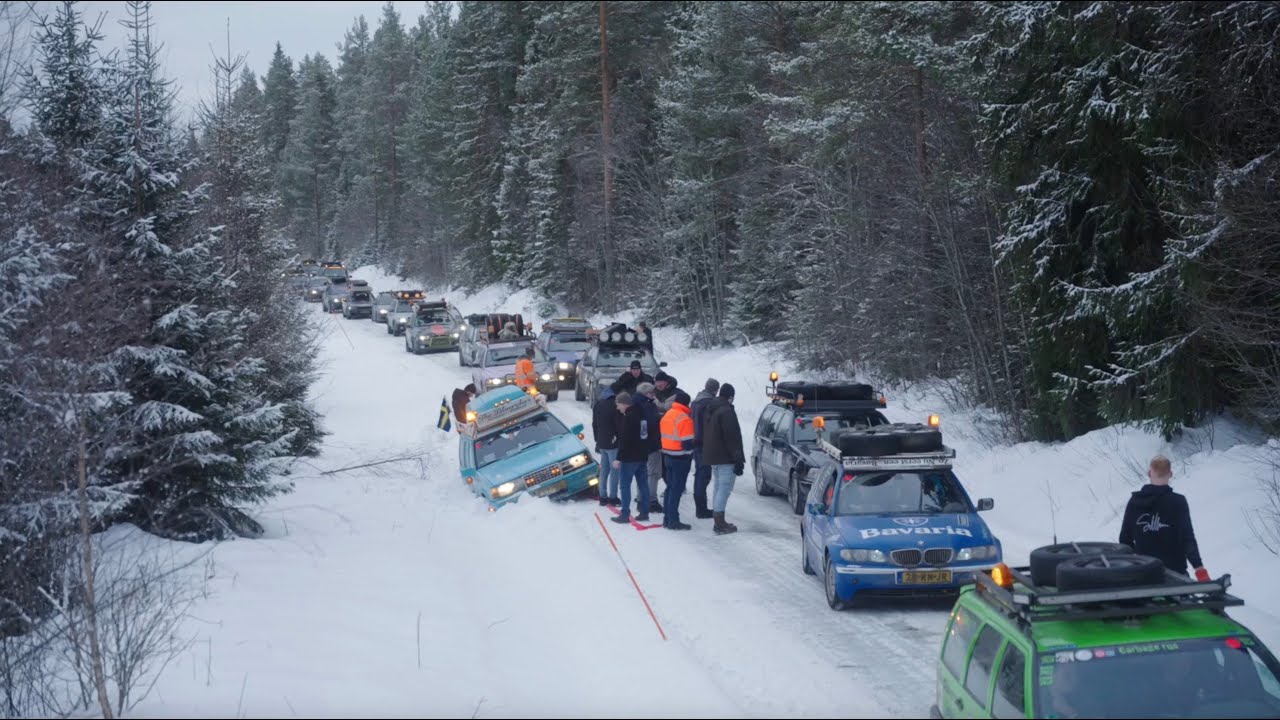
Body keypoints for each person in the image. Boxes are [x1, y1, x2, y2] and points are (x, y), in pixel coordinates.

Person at [1118, 455, 1209, 580]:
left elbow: (1124, 539)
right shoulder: (1178, 502)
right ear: (1170, 474)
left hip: (1143, 574)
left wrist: (1137, 562)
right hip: (1175, 576)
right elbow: (1188, 539)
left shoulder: (1135, 501)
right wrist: (1200, 571)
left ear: (1149, 473)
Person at [702, 383, 744, 535]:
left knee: (718, 487)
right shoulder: (727, 411)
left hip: (713, 455)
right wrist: (738, 459)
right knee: (724, 489)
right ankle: (719, 522)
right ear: (730, 397)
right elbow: (732, 438)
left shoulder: (711, 408)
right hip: (726, 457)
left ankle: (718, 518)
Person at [610, 392, 651, 524]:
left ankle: (625, 514)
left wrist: (619, 458)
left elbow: (625, 440)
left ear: (624, 403)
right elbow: (645, 436)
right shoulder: (643, 415)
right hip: (642, 457)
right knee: (643, 485)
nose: (617, 408)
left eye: (618, 405)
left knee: (625, 486)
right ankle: (644, 512)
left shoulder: (628, 417)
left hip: (629, 459)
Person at [660, 390, 695, 530]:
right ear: (686, 403)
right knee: (677, 489)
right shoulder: (684, 419)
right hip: (680, 458)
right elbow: (687, 444)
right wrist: (692, 452)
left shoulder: (668, 414)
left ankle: (667, 518)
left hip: (667, 456)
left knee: (670, 487)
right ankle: (673, 520)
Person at [690, 378, 720, 519]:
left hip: (695, 441)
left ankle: (700, 507)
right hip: (704, 443)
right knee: (704, 476)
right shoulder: (708, 403)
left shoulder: (696, 401)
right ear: (715, 390)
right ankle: (701, 509)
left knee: (699, 474)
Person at [634, 382, 664, 514]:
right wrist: (660, 418)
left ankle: (641, 498)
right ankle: (651, 500)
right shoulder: (647, 406)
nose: (653, 395)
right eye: (651, 393)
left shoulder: (635, 404)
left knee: (643, 473)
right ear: (645, 393)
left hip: (640, 446)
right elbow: (651, 423)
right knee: (653, 473)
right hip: (651, 445)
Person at [592, 385, 621, 507]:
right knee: (614, 470)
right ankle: (613, 497)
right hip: (613, 443)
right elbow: (618, 425)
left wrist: (597, 441)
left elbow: (594, 424)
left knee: (604, 470)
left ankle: (602, 496)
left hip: (602, 442)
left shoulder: (598, 404)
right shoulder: (615, 405)